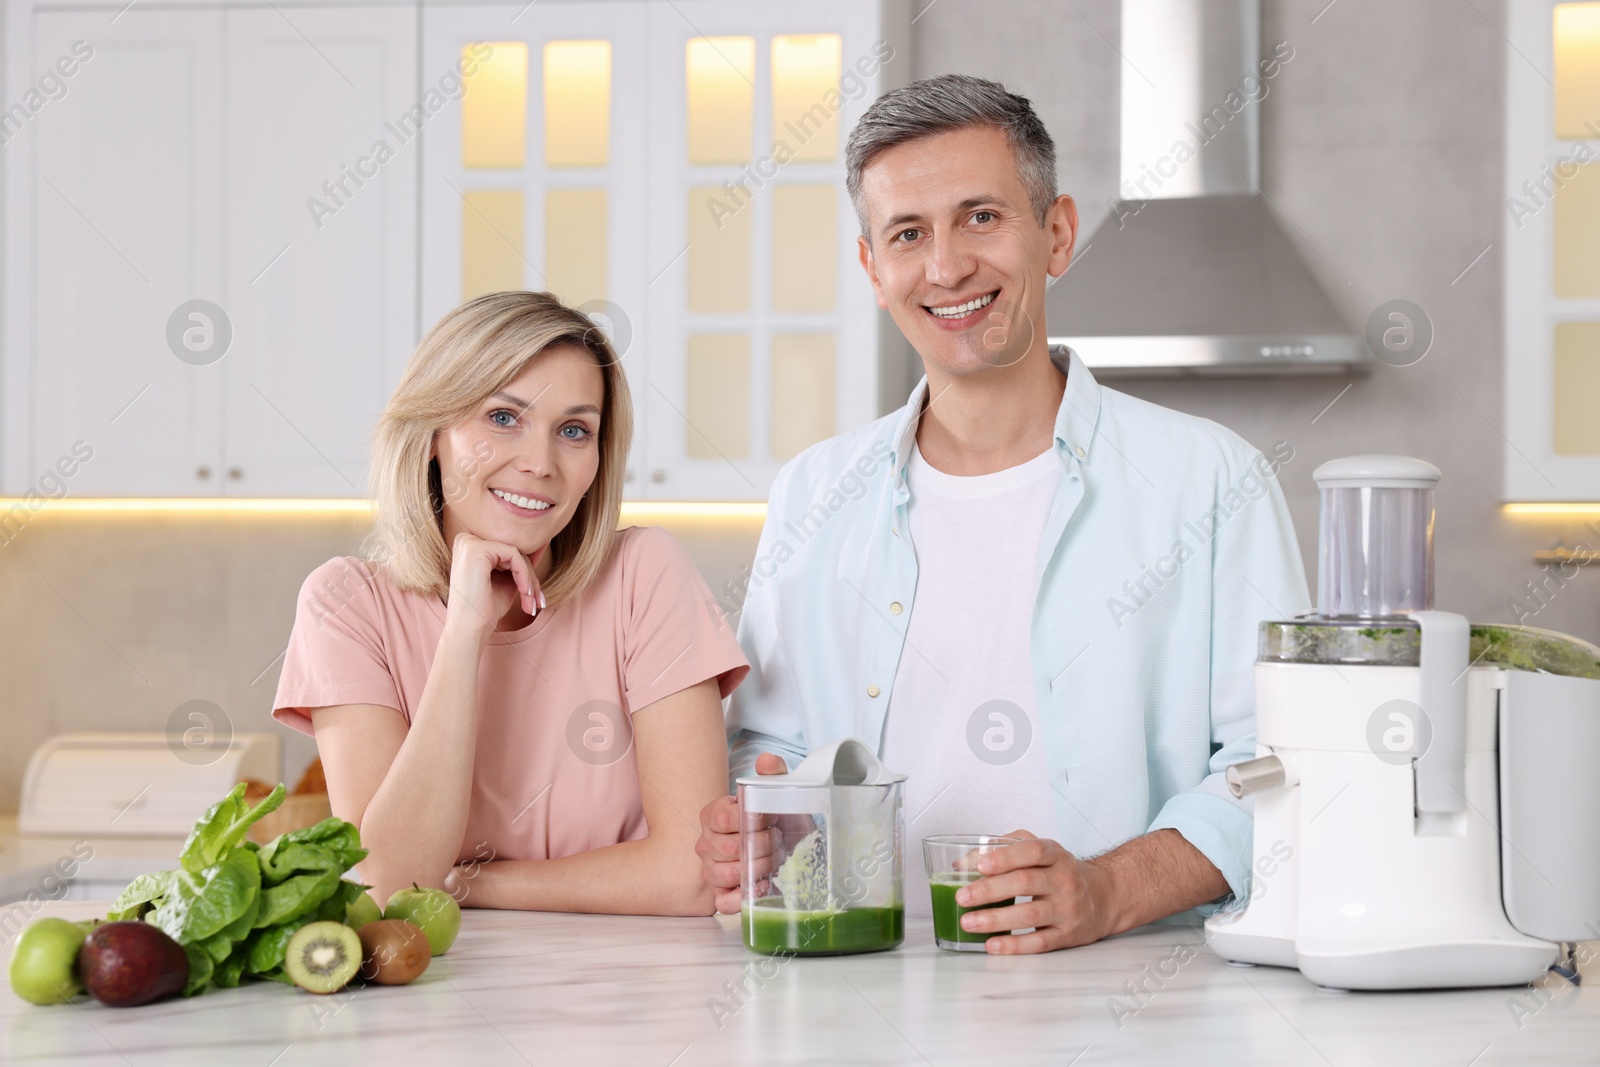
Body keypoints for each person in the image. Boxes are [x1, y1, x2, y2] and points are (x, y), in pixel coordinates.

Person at [696, 74, 1311, 952]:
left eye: (981, 217)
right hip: (860, 981)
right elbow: (767, 742)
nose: (946, 267)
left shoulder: (1213, 480)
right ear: (875, 269)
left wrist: (1107, 889)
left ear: (1055, 234)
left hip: (1133, 993)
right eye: (909, 234)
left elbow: (1278, 763)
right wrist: (754, 819)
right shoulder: (812, 493)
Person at [273, 291, 748, 915]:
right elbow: (385, 886)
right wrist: (465, 630)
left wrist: (464, 883)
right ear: (433, 435)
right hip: (434, 992)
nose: (540, 463)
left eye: (574, 431)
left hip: (631, 990)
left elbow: (690, 876)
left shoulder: (644, 575)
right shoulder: (346, 604)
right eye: (503, 418)